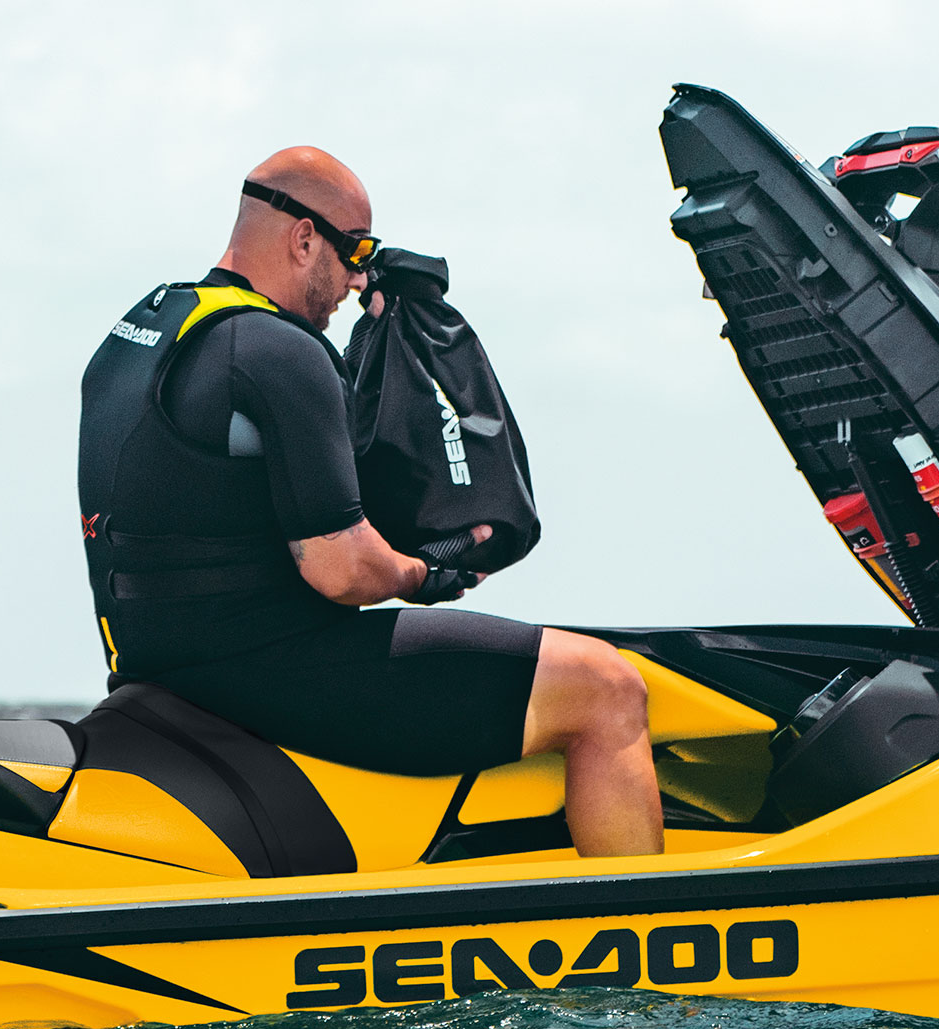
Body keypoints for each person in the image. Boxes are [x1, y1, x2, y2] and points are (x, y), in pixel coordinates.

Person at [77, 147, 664, 856]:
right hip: (263, 671)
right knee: (606, 686)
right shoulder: (278, 350)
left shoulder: (146, 329)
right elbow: (342, 570)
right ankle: (631, 941)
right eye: (354, 250)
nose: (358, 280)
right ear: (303, 239)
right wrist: (427, 574)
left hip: (156, 663)